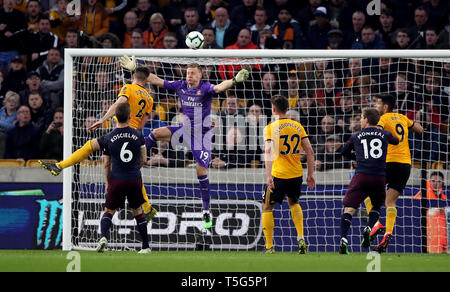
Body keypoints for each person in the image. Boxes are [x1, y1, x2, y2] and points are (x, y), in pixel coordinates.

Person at [119, 55, 250, 229]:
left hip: (201, 137)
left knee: (200, 171)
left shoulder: (205, 88)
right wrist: (136, 70)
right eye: (188, 73)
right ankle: (136, 163)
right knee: (155, 133)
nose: (189, 76)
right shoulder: (180, 85)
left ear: (200, 75)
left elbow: (219, 88)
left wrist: (233, 80)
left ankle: (206, 210)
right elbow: (157, 80)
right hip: (184, 130)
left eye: (193, 73)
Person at [40, 66, 157, 224]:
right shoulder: (149, 98)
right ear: (147, 78)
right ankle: (148, 207)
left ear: (134, 76)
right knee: (132, 172)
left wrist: (103, 119)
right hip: (135, 135)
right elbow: (143, 122)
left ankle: (60, 166)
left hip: (121, 133)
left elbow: (118, 103)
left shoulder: (128, 87)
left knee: (91, 146)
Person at [47, 103, 150, 254]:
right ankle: (145, 247)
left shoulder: (108, 137)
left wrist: (108, 182)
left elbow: (106, 163)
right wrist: (134, 168)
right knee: (138, 211)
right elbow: (144, 159)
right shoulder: (139, 135)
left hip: (116, 179)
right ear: (130, 117)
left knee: (108, 211)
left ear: (115, 117)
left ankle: (103, 238)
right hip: (134, 178)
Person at [364, 94, 424, 253]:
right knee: (390, 202)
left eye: (377, 103)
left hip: (389, 162)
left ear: (385, 107)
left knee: (366, 190)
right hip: (406, 165)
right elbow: (420, 129)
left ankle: (376, 224)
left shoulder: (383, 119)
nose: (375, 106)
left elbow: (376, 133)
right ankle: (388, 233)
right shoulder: (403, 118)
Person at [338, 107, 399, 254]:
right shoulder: (385, 134)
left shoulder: (356, 136)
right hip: (379, 177)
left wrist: (357, 158)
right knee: (376, 207)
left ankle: (344, 239)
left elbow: (342, 152)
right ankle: (369, 227)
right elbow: (396, 141)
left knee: (349, 208)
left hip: (361, 176)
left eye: (361, 117)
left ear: (366, 119)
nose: (360, 119)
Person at [262, 94, 316, 254]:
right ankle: (300, 237)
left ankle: (269, 247)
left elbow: (268, 151)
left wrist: (269, 176)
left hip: (279, 174)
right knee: (294, 203)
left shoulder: (270, 128)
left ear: (273, 109)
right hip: (296, 174)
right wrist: (310, 174)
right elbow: (310, 151)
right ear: (287, 109)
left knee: (267, 207)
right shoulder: (297, 126)